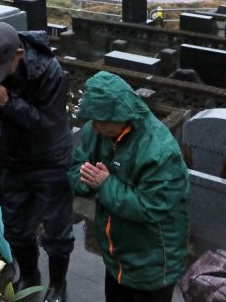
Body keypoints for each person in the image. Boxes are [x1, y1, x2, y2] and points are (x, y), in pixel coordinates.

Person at [0, 22, 74, 302]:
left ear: (19, 54)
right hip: (10, 158)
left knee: (57, 228)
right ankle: (30, 274)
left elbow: (50, 126)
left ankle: (58, 285)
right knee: (15, 225)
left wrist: (9, 104)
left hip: (50, 158)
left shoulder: (49, 71)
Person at [67, 71, 190, 302]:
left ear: (121, 114)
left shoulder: (160, 151)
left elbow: (151, 207)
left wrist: (103, 184)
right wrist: (87, 180)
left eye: (102, 120)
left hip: (153, 259)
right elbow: (76, 169)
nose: (96, 126)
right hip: (116, 253)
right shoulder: (96, 132)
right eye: (92, 119)